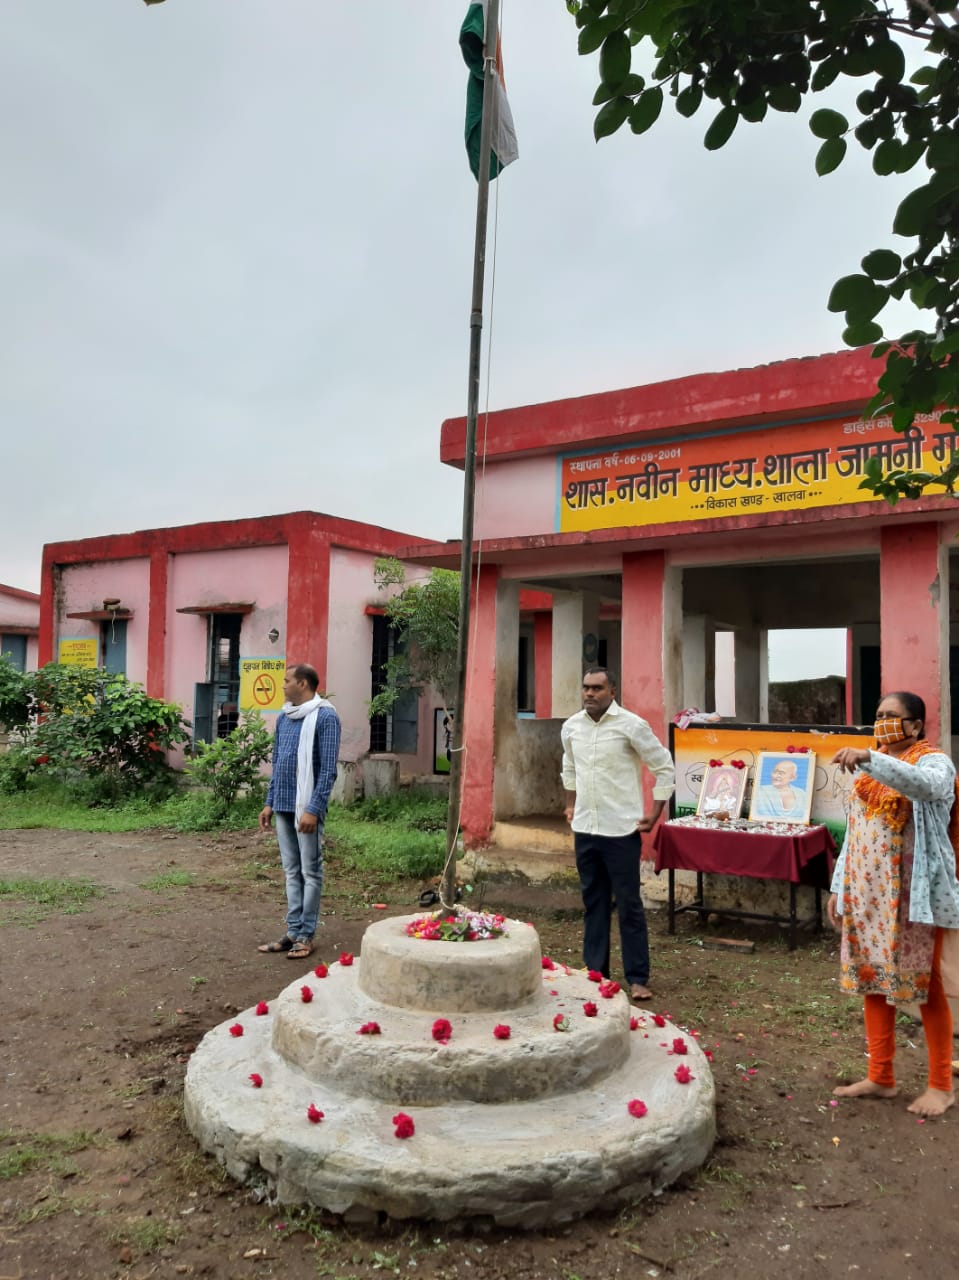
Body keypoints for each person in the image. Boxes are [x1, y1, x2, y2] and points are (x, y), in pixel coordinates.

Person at [828, 691, 959, 1117]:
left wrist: (869, 756)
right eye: (879, 714)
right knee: (873, 980)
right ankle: (880, 1076)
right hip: (867, 895)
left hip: (913, 897)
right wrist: (838, 885)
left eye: (893, 716)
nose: (883, 721)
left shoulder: (933, 761)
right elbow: (855, 831)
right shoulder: (868, 771)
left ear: (917, 725)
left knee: (927, 987)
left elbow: (924, 787)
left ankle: (941, 1086)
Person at [561, 666, 675, 1002]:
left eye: (597, 688)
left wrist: (655, 812)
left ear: (613, 691)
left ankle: (638, 978)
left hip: (621, 831)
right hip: (585, 829)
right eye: (585, 688)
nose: (589, 694)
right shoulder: (572, 728)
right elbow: (569, 766)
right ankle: (596, 973)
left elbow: (663, 765)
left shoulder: (631, 726)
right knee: (593, 902)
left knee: (628, 905)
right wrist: (571, 804)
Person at [257, 664, 341, 961]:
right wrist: (269, 802)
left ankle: (306, 935)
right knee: (291, 872)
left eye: (287, 681)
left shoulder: (326, 717)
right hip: (282, 804)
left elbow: (328, 769)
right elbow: (278, 762)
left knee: (310, 871)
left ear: (303, 684)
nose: (283, 686)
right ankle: (292, 932)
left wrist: (314, 809)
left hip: (306, 810)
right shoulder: (284, 717)